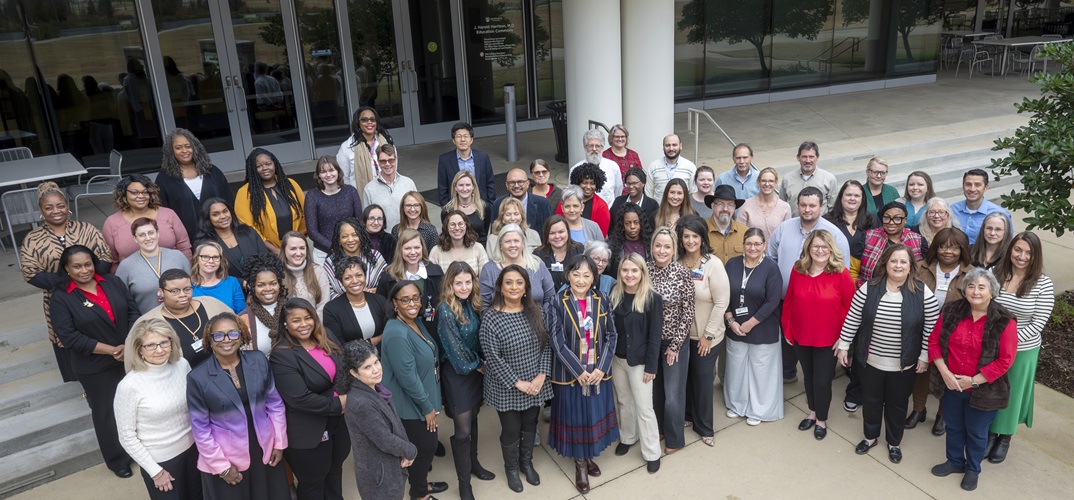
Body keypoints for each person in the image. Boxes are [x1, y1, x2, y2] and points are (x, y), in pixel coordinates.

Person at [837, 244, 940, 464]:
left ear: (911, 265)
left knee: (897, 404)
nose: (898, 265)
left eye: (903, 261)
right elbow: (853, 318)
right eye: (894, 260)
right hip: (871, 361)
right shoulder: (869, 288)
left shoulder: (922, 292)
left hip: (904, 365)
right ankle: (870, 437)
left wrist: (924, 356)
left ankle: (894, 442)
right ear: (885, 262)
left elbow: (932, 329)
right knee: (871, 400)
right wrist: (844, 344)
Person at [50, 245, 139, 477]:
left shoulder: (113, 282)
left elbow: (133, 312)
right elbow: (68, 336)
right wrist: (111, 350)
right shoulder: (61, 297)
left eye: (88, 264)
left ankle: (139, 449)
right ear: (66, 269)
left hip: (127, 355)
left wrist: (127, 344)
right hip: (95, 367)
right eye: (77, 266)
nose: (84, 270)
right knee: (107, 412)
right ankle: (117, 459)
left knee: (136, 406)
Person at [928, 268, 1017, 492]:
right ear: (965, 289)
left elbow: (1005, 360)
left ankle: (972, 469)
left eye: (981, 287)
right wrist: (945, 373)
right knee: (955, 427)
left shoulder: (1004, 320)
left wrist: (974, 381)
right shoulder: (951, 310)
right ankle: (955, 462)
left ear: (992, 291)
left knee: (977, 432)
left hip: (984, 389)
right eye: (971, 286)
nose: (975, 291)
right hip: (952, 384)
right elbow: (934, 343)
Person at [186, 312, 289, 500]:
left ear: (242, 335)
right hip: (226, 457)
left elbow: (275, 404)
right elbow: (200, 429)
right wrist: (222, 468)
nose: (226, 340)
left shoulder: (258, 360)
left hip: (264, 448)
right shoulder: (197, 378)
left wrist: (279, 443)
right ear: (210, 340)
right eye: (218, 335)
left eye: (233, 333)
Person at [20, 181, 112, 383]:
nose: (56, 211)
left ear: (67, 206)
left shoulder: (86, 229)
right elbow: (30, 273)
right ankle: (86, 385)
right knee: (71, 339)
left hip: (95, 292)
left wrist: (87, 279)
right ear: (41, 210)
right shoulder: (33, 239)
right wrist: (68, 281)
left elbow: (105, 257)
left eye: (60, 205)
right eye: (49, 207)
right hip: (59, 297)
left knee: (101, 332)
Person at [547, 255, 619, 494]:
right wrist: (579, 371)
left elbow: (611, 335)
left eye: (586, 275)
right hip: (570, 375)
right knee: (575, 418)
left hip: (597, 373)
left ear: (594, 278)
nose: (581, 279)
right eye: (576, 274)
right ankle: (580, 464)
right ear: (568, 275)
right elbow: (556, 342)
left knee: (591, 416)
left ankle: (588, 456)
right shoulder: (557, 301)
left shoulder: (602, 299)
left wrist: (601, 368)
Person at [478, 265, 552, 493]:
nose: (514, 287)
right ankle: (511, 469)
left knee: (530, 424)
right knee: (511, 429)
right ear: (500, 286)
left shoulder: (536, 311)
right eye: (508, 282)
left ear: (526, 288)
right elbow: (492, 356)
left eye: (519, 283)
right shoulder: (491, 317)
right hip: (507, 387)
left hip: (534, 383)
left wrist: (541, 375)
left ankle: (526, 463)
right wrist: (517, 382)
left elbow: (547, 345)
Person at [768, 187, 851, 384]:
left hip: (822, 309)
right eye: (803, 205)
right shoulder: (783, 228)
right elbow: (771, 258)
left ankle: (820, 380)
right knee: (788, 346)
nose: (807, 210)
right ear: (797, 205)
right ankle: (788, 374)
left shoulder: (834, 235)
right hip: (786, 301)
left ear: (822, 206)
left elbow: (842, 271)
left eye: (812, 205)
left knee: (819, 363)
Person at [270, 298, 351, 500]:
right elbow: (299, 399)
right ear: (285, 324)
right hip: (309, 432)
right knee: (313, 483)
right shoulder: (282, 355)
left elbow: (345, 369)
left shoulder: (326, 337)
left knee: (334, 471)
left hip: (337, 424)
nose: (304, 324)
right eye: (296, 320)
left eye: (308, 318)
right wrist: (338, 403)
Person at [114, 319, 201, 499]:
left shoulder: (182, 365)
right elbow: (127, 436)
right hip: (162, 462)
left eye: (164, 342)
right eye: (151, 345)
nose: (159, 350)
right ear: (139, 350)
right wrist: (155, 472)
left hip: (194, 452)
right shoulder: (129, 386)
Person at [988, 232, 1055, 463]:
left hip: (1023, 349)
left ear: (1036, 255)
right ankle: (989, 432)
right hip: (991, 347)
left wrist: (1006, 342)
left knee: (1012, 392)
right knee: (990, 389)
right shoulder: (995, 274)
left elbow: (1037, 324)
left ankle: (1004, 436)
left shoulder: (1043, 284)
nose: (1022, 256)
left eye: (1029, 252)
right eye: (1018, 250)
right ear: (1010, 250)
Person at [781, 230, 855, 440]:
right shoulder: (798, 269)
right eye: (815, 246)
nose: (820, 250)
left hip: (829, 339)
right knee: (809, 377)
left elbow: (851, 308)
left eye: (824, 246)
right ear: (808, 249)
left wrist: (844, 339)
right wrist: (787, 328)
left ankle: (821, 419)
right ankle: (812, 412)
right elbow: (789, 300)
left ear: (831, 249)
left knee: (822, 381)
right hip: (801, 335)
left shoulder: (840, 273)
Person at [380, 282, 448, 500]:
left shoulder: (415, 322)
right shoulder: (397, 333)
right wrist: (427, 407)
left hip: (424, 398)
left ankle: (421, 486)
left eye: (416, 298)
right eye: (405, 299)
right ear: (394, 303)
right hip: (411, 406)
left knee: (425, 447)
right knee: (424, 449)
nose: (413, 303)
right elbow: (407, 378)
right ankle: (419, 495)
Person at [437, 262, 496, 499]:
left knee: (473, 418)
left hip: (475, 372)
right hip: (458, 373)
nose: (464, 287)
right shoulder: (445, 310)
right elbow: (455, 351)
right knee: (462, 431)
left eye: (468, 282)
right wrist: (480, 364)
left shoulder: (474, 304)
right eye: (458, 283)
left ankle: (474, 465)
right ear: (450, 284)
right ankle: (464, 483)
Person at [909, 228, 973, 435]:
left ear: (962, 250)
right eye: (943, 246)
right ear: (935, 248)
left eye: (954, 247)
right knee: (921, 371)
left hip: (954, 336)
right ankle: (918, 409)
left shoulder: (971, 274)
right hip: (922, 330)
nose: (948, 251)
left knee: (949, 375)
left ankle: (942, 415)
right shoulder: (920, 268)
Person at [338, 340, 418, 500]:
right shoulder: (361, 403)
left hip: (390, 467)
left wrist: (406, 451)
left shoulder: (376, 388)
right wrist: (410, 451)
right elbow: (385, 439)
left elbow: (396, 423)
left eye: (376, 362)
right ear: (354, 373)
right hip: (380, 477)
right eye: (367, 367)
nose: (376, 369)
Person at [676, 215, 730, 446]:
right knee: (686, 377)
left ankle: (705, 427)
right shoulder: (676, 261)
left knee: (703, 379)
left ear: (702, 238)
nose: (690, 240)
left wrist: (708, 336)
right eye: (686, 236)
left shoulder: (713, 264)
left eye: (694, 236)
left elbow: (721, 302)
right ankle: (688, 415)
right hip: (682, 335)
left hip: (707, 335)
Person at [724, 228, 784, 426]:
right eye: (749, 243)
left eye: (758, 244)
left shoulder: (771, 267)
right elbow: (723, 295)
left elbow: (773, 300)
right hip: (735, 328)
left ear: (764, 246)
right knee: (736, 368)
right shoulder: (732, 264)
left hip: (762, 328)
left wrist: (750, 323)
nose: (753, 247)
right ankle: (736, 404)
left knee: (761, 371)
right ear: (743, 244)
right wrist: (731, 321)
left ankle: (759, 410)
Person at [609, 253, 663, 473]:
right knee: (624, 401)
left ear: (642, 272)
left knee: (644, 407)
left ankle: (652, 452)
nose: (629, 275)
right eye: (625, 270)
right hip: (617, 359)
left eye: (634, 270)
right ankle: (628, 437)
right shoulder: (614, 295)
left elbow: (655, 336)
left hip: (639, 362)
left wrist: (651, 366)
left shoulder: (651, 299)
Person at [647, 226, 695, 455]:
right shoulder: (645, 270)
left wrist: (675, 346)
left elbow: (688, 313)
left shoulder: (682, 273)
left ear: (674, 249)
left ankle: (675, 438)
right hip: (651, 343)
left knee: (672, 396)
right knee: (655, 393)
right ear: (652, 247)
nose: (662, 250)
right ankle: (660, 429)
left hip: (674, 342)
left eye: (667, 246)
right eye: (658, 245)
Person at [137, 268, 232, 367]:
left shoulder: (212, 304)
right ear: (161, 292)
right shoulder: (147, 322)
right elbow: (136, 362)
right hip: (183, 380)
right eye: (174, 291)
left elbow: (239, 330)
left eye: (187, 289)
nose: (183, 295)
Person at [156, 128, 234, 240]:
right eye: (178, 148)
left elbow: (228, 200)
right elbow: (162, 210)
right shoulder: (164, 178)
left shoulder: (212, 171)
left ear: (195, 147)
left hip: (220, 235)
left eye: (188, 146)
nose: (184, 150)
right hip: (187, 238)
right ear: (171, 151)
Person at [103, 174, 192, 271]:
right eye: (134, 192)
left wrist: (187, 272)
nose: (141, 196)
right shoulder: (112, 223)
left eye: (145, 192)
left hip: (174, 274)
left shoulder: (168, 214)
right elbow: (112, 260)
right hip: (133, 279)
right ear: (124, 194)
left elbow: (184, 247)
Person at [376, 229, 446, 340]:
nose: (413, 252)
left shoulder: (436, 272)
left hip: (432, 334)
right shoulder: (388, 276)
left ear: (422, 248)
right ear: (400, 250)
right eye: (407, 248)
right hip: (401, 336)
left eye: (417, 248)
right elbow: (381, 308)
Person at [234, 148, 306, 254]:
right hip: (266, 253)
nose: (265, 168)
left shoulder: (290, 185)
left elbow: (306, 214)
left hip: (296, 249)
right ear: (253, 169)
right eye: (259, 166)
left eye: (268, 164)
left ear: (274, 164)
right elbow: (249, 229)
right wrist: (275, 250)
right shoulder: (244, 193)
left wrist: (297, 243)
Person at [115, 218, 191, 314]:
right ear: (135, 239)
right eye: (141, 235)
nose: (148, 238)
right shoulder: (126, 266)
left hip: (184, 315)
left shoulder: (178, 256)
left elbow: (192, 286)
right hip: (150, 323)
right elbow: (121, 301)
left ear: (158, 233)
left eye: (151, 233)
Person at [479, 224, 556, 309]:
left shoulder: (537, 265)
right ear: (500, 245)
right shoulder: (489, 270)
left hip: (537, 319)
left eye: (516, 241)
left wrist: (544, 319)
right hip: (501, 321)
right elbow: (484, 305)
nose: (512, 245)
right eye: (507, 241)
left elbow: (550, 298)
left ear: (523, 243)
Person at [304, 155, 363, 265]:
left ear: (338, 171)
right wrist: (335, 248)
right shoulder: (312, 196)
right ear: (319, 175)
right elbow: (312, 231)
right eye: (323, 172)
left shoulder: (351, 192)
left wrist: (348, 245)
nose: (328, 175)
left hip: (351, 249)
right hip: (323, 254)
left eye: (331, 170)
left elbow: (359, 222)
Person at [195, 197, 270, 283]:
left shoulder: (249, 232)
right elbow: (210, 275)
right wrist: (243, 284)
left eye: (225, 211)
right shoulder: (203, 244)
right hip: (228, 291)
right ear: (208, 218)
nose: (223, 216)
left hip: (260, 286)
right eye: (215, 214)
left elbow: (266, 260)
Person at [323, 257, 392, 345]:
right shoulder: (331, 309)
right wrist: (373, 341)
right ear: (341, 282)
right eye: (348, 278)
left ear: (365, 276)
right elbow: (337, 345)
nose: (355, 281)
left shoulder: (379, 300)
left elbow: (390, 331)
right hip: (352, 358)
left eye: (359, 275)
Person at [857, 201, 925, 286]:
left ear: (905, 220)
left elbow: (924, 270)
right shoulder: (868, 236)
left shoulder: (917, 240)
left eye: (897, 219)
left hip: (907, 291)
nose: (891, 223)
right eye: (886, 218)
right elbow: (854, 268)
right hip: (870, 290)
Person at [322, 217, 388, 296]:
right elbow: (327, 292)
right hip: (342, 306)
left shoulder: (374, 256)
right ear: (339, 240)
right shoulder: (331, 262)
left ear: (361, 236)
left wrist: (374, 291)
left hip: (375, 304)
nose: (350, 240)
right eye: (344, 236)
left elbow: (387, 286)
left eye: (354, 235)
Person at [825, 180, 876, 281]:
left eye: (857, 196)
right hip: (834, 275)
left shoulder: (871, 220)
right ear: (841, 197)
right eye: (848, 195)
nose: (852, 198)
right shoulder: (827, 222)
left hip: (865, 278)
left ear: (862, 199)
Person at [239, 254, 289, 355]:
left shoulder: (294, 307)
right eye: (261, 285)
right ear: (252, 287)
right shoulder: (243, 318)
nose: (268, 289)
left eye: (273, 283)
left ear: (279, 284)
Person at [337, 106, 395, 193]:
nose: (369, 122)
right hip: (361, 196)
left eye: (372, 119)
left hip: (387, 191)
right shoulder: (346, 147)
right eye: (364, 120)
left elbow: (394, 167)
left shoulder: (386, 142)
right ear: (358, 123)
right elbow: (343, 177)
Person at [437, 122, 496, 205]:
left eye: (466, 136)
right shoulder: (445, 160)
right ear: (454, 140)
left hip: (481, 205)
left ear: (471, 139)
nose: (463, 140)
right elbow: (442, 188)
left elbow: (490, 184)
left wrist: (490, 205)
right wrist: (448, 210)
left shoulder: (483, 157)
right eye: (458, 136)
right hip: (456, 207)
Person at [363, 144, 418, 230]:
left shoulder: (408, 183)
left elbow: (418, 210)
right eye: (383, 161)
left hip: (408, 237)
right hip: (383, 239)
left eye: (391, 160)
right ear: (378, 162)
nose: (387, 164)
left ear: (396, 160)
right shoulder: (369, 189)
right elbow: (367, 220)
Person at [950, 169, 1012, 245]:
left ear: (986, 187)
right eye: (968, 184)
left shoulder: (1000, 214)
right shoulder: (952, 210)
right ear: (963, 186)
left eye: (977, 185)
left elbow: (1008, 244)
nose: (972, 189)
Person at [279, 232, 331, 316]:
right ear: (284, 250)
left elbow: (323, 305)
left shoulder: (318, 271)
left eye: (302, 248)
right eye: (293, 249)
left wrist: (314, 325)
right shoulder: (277, 274)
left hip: (314, 325)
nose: (298, 253)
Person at [779, 141, 837, 216]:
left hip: (820, 226)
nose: (808, 160)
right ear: (798, 157)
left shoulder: (829, 179)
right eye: (804, 157)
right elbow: (781, 206)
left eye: (811, 157)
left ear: (817, 157)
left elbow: (832, 208)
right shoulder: (787, 179)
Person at [490, 168, 554, 235]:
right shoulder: (498, 204)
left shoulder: (542, 203)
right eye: (512, 182)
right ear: (507, 185)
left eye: (520, 182)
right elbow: (495, 230)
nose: (516, 186)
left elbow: (550, 229)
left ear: (527, 183)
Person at [558, 162, 612, 236]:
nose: (588, 187)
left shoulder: (601, 206)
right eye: (585, 182)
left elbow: (600, 235)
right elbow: (557, 223)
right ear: (578, 182)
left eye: (592, 183)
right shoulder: (566, 200)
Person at [572, 129, 624, 206]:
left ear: (602, 147)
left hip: (608, 212)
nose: (594, 149)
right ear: (585, 147)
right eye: (590, 146)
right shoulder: (575, 169)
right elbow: (572, 193)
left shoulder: (613, 167)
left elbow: (618, 191)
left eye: (597, 146)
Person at [736, 167, 791, 239]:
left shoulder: (785, 207)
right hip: (752, 249)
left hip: (776, 250)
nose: (767, 184)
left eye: (771, 181)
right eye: (763, 181)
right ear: (758, 182)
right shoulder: (746, 205)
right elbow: (740, 233)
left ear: (776, 183)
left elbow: (787, 235)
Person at [191, 241, 245, 313]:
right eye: (205, 257)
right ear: (197, 259)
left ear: (221, 260)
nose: (211, 261)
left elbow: (242, 314)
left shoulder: (232, 282)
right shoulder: (188, 284)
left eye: (215, 257)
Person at [535, 215, 585, 292]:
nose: (557, 236)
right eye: (552, 233)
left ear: (568, 231)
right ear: (546, 235)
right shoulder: (538, 255)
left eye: (561, 232)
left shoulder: (580, 250)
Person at [443, 170, 493, 244]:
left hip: (479, 250)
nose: (465, 189)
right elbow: (447, 234)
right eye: (461, 185)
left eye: (468, 185)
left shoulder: (484, 207)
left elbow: (485, 231)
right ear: (455, 187)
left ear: (473, 187)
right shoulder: (447, 210)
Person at [606, 203, 653, 278]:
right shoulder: (612, 246)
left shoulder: (651, 243)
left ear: (641, 223)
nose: (632, 226)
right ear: (622, 224)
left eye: (636, 222)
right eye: (628, 223)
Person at [645, 133, 696, 201]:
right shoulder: (654, 167)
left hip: (682, 210)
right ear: (663, 147)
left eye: (674, 145)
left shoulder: (690, 167)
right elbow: (648, 193)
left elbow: (693, 193)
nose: (671, 148)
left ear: (680, 146)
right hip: (659, 210)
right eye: (667, 145)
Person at [705, 185, 748, 263]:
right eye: (720, 204)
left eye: (730, 204)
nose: (725, 209)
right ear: (712, 206)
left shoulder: (745, 232)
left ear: (735, 207)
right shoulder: (702, 230)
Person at [603, 124, 643, 189]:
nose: (620, 139)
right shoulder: (605, 155)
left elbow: (640, 177)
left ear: (626, 138)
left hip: (631, 195)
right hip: (612, 195)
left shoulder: (634, 155)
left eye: (623, 136)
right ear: (611, 138)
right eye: (617, 137)